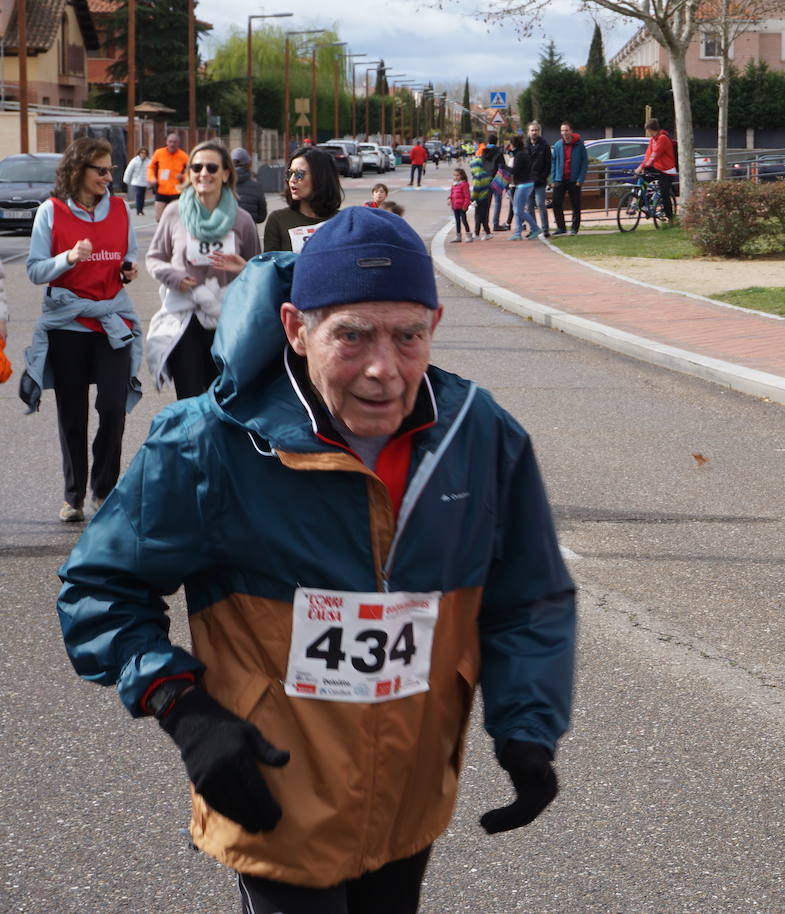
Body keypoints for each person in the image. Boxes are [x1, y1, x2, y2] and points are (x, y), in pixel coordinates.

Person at [55, 206, 576, 913]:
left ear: (435, 326)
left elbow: (530, 596)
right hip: (274, 798)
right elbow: (99, 586)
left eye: (407, 336)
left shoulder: (478, 434)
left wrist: (527, 727)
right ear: (298, 329)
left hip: (408, 800)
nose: (383, 370)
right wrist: (185, 709)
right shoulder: (210, 442)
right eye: (352, 336)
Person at [20, 137, 140, 523]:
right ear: (78, 171)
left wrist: (128, 269)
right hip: (68, 324)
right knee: (72, 415)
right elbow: (35, 271)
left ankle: (103, 490)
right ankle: (73, 495)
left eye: (111, 170)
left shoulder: (120, 209)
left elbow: (129, 255)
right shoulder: (50, 212)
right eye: (101, 170)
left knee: (112, 407)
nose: (109, 177)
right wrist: (67, 258)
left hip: (111, 322)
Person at [144, 140, 262, 399]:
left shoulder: (242, 220)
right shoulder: (174, 213)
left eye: (211, 167)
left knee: (224, 400)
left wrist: (243, 268)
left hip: (226, 321)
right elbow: (153, 259)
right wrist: (176, 278)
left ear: (226, 173)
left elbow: (258, 273)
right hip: (184, 318)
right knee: (190, 401)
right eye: (196, 167)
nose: (203, 173)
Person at [263, 147, 342, 253]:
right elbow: (269, 265)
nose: (292, 180)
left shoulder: (343, 221)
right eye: (290, 174)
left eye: (300, 174)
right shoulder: (278, 220)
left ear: (320, 177)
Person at [634, 119, 677, 221]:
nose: (648, 133)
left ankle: (670, 218)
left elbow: (655, 155)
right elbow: (648, 155)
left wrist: (642, 166)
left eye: (648, 131)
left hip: (667, 170)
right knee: (644, 178)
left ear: (652, 129)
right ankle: (644, 205)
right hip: (658, 168)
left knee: (664, 193)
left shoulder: (662, 139)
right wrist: (642, 167)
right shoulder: (653, 140)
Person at [550, 122, 587, 237]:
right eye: (562, 131)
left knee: (575, 205)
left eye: (566, 130)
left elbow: (584, 162)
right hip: (559, 179)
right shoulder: (557, 145)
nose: (564, 133)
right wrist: (553, 179)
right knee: (556, 203)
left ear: (571, 131)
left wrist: (580, 179)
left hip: (574, 180)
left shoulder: (579, 145)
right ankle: (561, 227)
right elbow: (554, 162)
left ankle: (574, 228)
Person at [148, 132, 189, 222]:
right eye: (170, 141)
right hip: (161, 190)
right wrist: (152, 179)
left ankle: (171, 234)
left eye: (174, 142)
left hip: (176, 191)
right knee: (159, 218)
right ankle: (164, 232)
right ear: (166, 142)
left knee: (175, 218)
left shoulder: (184, 156)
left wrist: (183, 177)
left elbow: (191, 172)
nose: (172, 144)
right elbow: (150, 167)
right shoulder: (159, 153)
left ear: (178, 143)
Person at [507, 134, 537, 241]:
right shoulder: (521, 154)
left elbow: (514, 170)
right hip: (524, 184)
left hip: (524, 184)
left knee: (518, 210)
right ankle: (518, 232)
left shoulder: (519, 155)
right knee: (518, 209)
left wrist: (504, 167)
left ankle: (535, 228)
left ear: (512, 145)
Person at [524, 122, 552, 239]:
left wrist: (543, 176)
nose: (534, 132)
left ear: (539, 132)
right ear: (528, 132)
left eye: (536, 130)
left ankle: (545, 229)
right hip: (527, 181)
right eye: (532, 130)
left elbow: (548, 163)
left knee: (541, 205)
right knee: (529, 207)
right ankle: (534, 229)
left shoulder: (545, 145)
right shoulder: (524, 146)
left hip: (540, 181)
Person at [231, 147, 269, 225]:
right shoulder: (256, 186)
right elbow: (261, 217)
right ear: (248, 164)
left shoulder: (221, 185)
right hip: (250, 232)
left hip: (227, 234)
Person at [470, 140, 496, 241]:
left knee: (478, 216)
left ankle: (476, 234)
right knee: (484, 216)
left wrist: (472, 199)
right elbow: (490, 185)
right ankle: (488, 232)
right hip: (487, 197)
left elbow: (476, 189)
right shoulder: (485, 174)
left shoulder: (477, 176)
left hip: (479, 198)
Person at [122, 146, 150, 216]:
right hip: (137, 181)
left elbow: (151, 171)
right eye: (142, 153)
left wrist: (150, 181)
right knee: (138, 195)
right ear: (139, 153)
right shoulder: (134, 161)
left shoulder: (149, 161)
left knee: (142, 196)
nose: (143, 154)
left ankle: (141, 209)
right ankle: (138, 210)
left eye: (145, 153)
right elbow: (129, 170)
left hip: (144, 182)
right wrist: (126, 180)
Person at [450, 168, 473, 242]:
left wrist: (465, 205)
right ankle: (458, 236)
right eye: (454, 175)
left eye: (457, 175)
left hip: (462, 206)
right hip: (455, 206)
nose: (455, 177)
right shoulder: (454, 185)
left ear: (462, 176)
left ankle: (468, 235)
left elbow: (467, 196)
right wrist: (449, 199)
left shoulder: (464, 184)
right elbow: (452, 194)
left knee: (464, 220)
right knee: (457, 221)